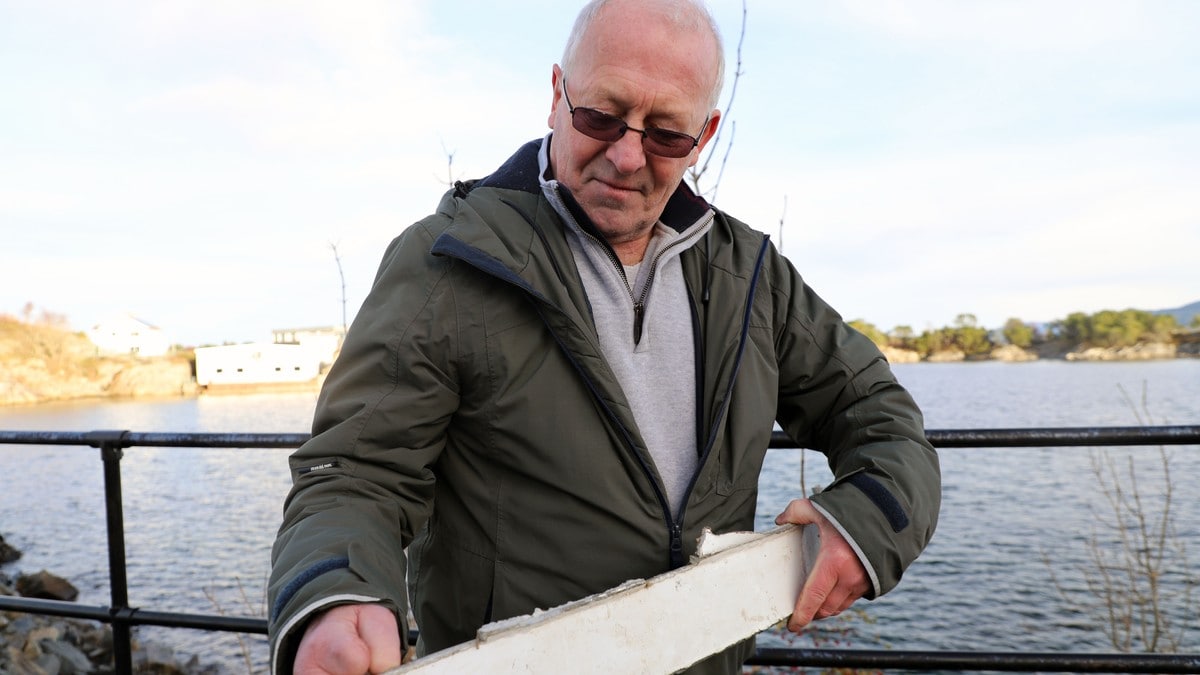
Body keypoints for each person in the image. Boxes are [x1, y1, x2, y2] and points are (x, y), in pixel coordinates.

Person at [268, 1, 941, 673]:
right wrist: (337, 594)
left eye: (666, 133)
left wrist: (867, 522)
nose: (625, 155)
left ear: (705, 134)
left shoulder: (753, 276)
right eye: (601, 116)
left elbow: (880, 413)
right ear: (557, 95)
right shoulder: (447, 262)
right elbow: (356, 472)